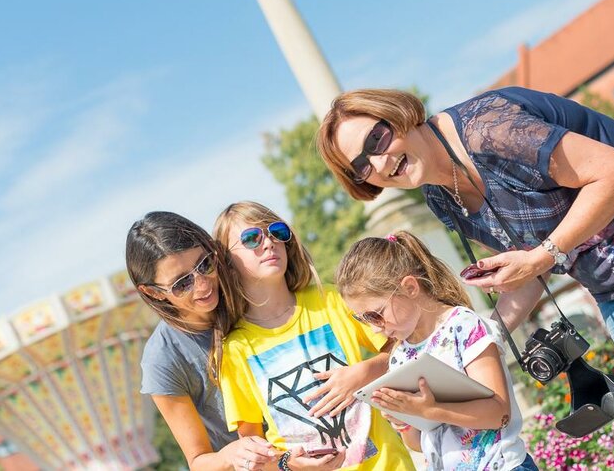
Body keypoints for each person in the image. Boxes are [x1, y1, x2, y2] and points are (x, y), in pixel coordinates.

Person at [316, 87, 614, 469]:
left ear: (398, 115)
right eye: (362, 166)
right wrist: (473, 344)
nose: (378, 163)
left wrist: (545, 254)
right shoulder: (443, 198)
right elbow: (522, 276)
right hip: (610, 281)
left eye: (376, 141)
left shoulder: (487, 129)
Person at [213, 201, 415, 471]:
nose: (269, 243)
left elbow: (406, 348)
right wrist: (288, 464)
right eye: (251, 238)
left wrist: (365, 371)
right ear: (227, 262)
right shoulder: (234, 349)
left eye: (277, 232)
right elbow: (252, 448)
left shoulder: (330, 299)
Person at [336, 230, 537, 470]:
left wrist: (430, 409)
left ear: (410, 287)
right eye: (362, 319)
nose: (374, 329)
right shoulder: (400, 356)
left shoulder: (464, 326)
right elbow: (421, 444)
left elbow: (499, 414)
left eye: (375, 315)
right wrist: (404, 420)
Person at [127, 211, 278, 471]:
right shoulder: (162, 359)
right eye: (182, 283)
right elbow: (198, 461)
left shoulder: (248, 292)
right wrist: (231, 454)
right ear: (153, 292)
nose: (202, 284)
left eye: (205, 264)